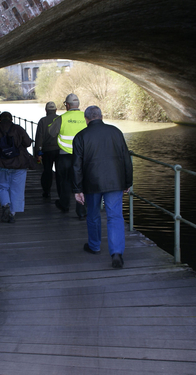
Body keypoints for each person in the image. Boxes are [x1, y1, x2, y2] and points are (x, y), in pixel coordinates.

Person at [72, 106, 133, 269]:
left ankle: (94, 246)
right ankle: (117, 253)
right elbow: (126, 159)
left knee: (93, 214)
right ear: (101, 116)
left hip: (92, 183)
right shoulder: (116, 132)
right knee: (115, 216)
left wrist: (77, 189)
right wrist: (128, 182)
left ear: (86, 119)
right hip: (115, 182)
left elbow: (76, 166)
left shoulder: (81, 136)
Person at [0, 111, 36, 223]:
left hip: (1, 163)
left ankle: (5, 204)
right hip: (19, 163)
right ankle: (12, 214)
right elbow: (27, 143)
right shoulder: (18, 129)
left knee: (2, 186)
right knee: (17, 189)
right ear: (11, 119)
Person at [48, 93, 87, 219]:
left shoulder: (62, 118)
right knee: (81, 183)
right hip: (82, 157)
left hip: (65, 156)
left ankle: (64, 205)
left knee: (64, 181)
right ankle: (81, 211)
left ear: (68, 105)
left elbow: (51, 132)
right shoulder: (86, 117)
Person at [34, 101, 60, 199]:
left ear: (46, 110)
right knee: (60, 172)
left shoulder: (42, 121)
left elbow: (39, 138)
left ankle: (47, 191)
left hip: (47, 150)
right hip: (60, 150)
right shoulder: (61, 119)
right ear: (56, 110)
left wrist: (38, 152)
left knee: (47, 171)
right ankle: (62, 191)